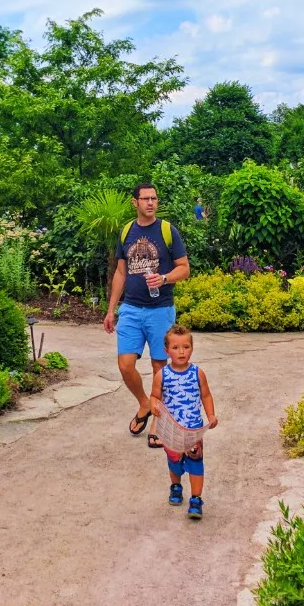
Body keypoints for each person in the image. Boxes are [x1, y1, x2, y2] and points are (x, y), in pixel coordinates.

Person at [103, 182, 190, 446]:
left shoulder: (167, 231)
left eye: (154, 198)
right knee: (125, 365)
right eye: (145, 199)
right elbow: (121, 272)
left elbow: (184, 268)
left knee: (159, 368)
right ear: (135, 202)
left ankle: (156, 422)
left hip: (160, 310)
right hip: (130, 308)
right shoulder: (126, 231)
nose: (151, 202)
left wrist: (164, 278)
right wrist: (111, 310)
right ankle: (144, 403)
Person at [150, 325, 217, 519]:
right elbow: (155, 396)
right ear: (166, 351)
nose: (181, 352)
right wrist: (154, 405)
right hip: (171, 430)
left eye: (186, 347)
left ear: (192, 349)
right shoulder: (162, 375)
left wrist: (211, 415)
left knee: (196, 462)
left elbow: (206, 395)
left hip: (193, 429)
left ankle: (196, 499)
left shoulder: (198, 373)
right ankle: (176, 486)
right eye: (176, 347)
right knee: (175, 462)